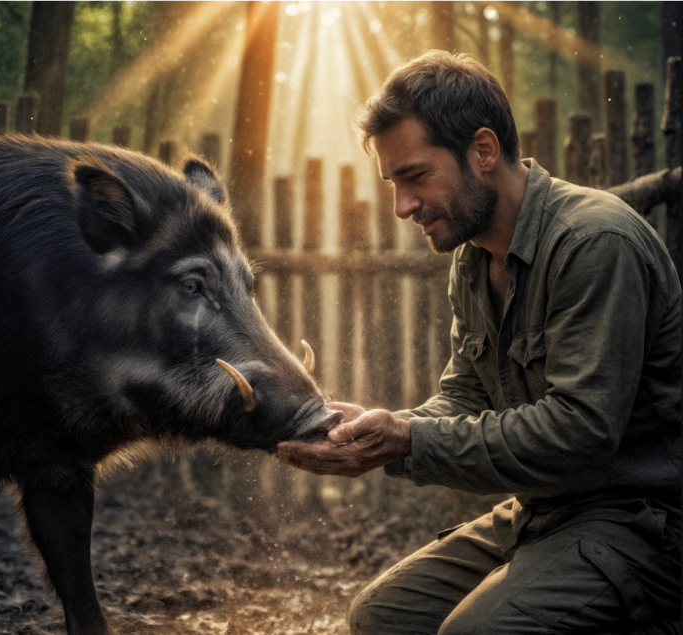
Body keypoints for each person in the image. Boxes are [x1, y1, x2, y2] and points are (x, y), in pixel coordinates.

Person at [277, 51, 681, 635]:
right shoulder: (472, 262)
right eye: (394, 184)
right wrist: (380, 428)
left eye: (415, 177)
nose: (402, 207)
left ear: (483, 151)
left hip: (647, 526)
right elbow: (464, 398)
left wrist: (410, 439)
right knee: (383, 617)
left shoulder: (594, 242)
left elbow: (580, 435)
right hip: (544, 512)